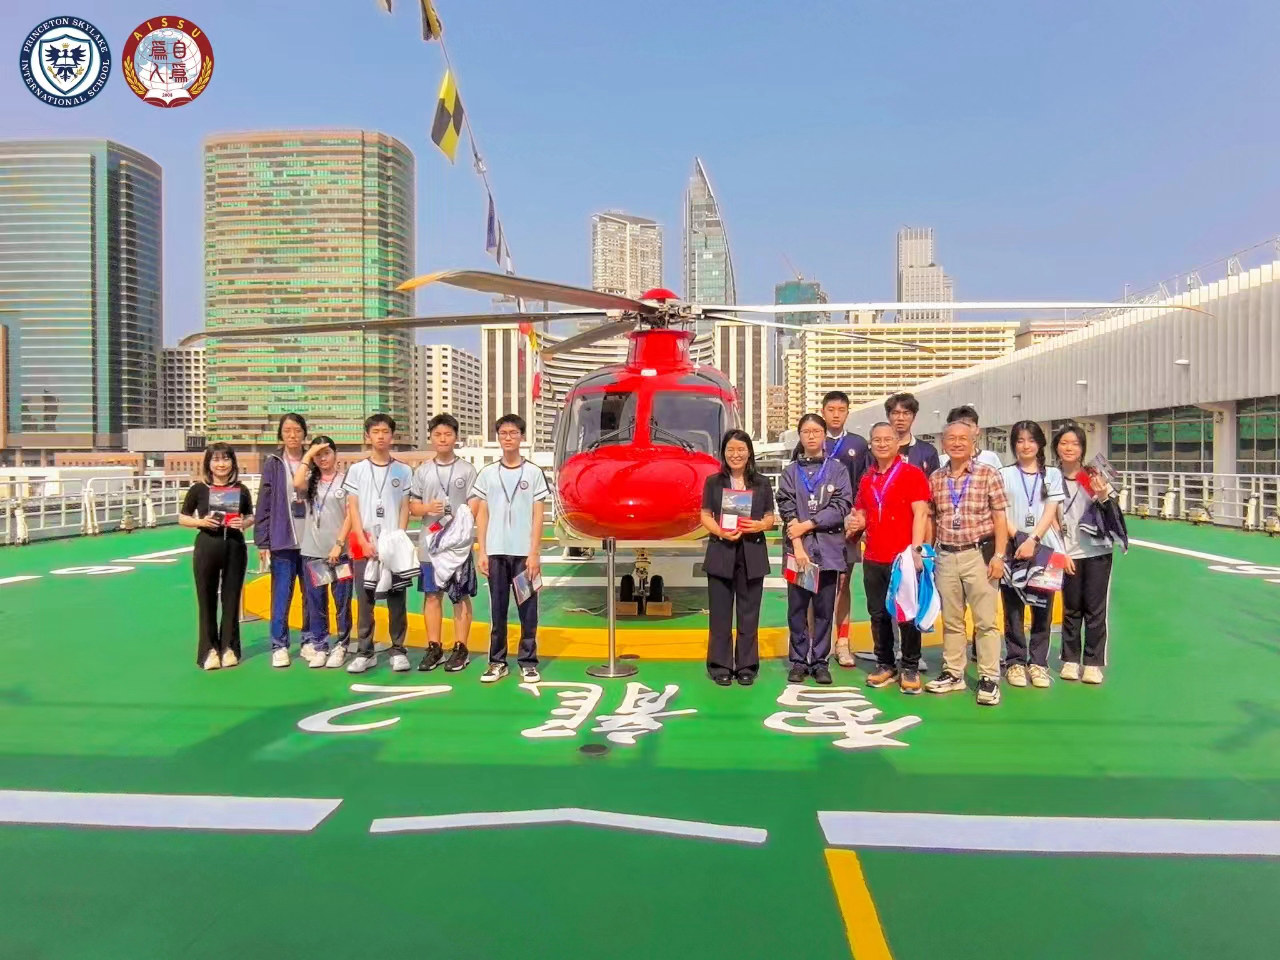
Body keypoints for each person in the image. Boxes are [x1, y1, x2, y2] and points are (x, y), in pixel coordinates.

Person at [925, 420, 1009, 705]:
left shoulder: (988, 474)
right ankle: (953, 672)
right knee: (951, 620)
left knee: (985, 621)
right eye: (951, 438)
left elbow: (1000, 517)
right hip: (946, 555)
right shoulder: (936, 478)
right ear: (943, 443)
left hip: (978, 554)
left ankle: (989, 677)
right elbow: (933, 518)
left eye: (963, 438)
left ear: (974, 441)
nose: (957, 443)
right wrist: (929, 553)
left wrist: (999, 556)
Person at [849, 422, 931, 694]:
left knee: (906, 612)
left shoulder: (912, 474)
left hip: (903, 557)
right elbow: (861, 513)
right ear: (870, 444)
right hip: (874, 555)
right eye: (877, 440)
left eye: (887, 439)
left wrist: (916, 550)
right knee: (878, 613)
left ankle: (910, 665)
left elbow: (921, 513)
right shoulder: (867, 478)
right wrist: (854, 522)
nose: (882, 444)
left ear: (898, 443)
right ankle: (885, 663)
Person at [790, 390, 868, 668]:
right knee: (811, 584)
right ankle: (813, 644)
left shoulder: (858, 444)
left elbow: (864, 485)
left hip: (846, 525)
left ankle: (842, 642)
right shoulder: (807, 442)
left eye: (841, 409)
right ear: (823, 412)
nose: (836, 414)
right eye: (831, 409)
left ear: (848, 412)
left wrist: (858, 520)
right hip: (812, 530)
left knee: (843, 584)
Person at [472, 414, 549, 684]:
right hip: (496, 553)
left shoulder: (534, 473)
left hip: (523, 556)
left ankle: (528, 662)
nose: (508, 437)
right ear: (498, 438)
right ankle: (497, 662)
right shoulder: (488, 474)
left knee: (528, 609)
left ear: (522, 437)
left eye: (513, 433)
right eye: (503, 433)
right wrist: (482, 551)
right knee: (498, 610)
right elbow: (482, 514)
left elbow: (538, 516)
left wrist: (534, 553)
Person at [778, 413, 853, 686]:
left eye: (816, 431)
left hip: (828, 551)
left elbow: (841, 506)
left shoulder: (838, 470)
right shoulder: (790, 472)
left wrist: (808, 524)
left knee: (824, 609)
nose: (811, 436)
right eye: (806, 432)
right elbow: (786, 508)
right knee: (797, 609)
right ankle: (799, 660)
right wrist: (798, 544)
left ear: (824, 435)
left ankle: (820, 661)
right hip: (799, 552)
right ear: (800, 436)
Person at [699, 429, 776, 686]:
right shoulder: (713, 482)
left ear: (749, 452)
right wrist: (720, 531)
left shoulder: (762, 483)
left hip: (752, 552)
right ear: (723, 453)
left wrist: (760, 526)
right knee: (720, 614)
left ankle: (746, 665)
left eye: (741, 449)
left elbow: (769, 516)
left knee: (749, 613)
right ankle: (720, 665)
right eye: (730, 449)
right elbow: (705, 515)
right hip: (721, 550)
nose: (736, 454)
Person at [343, 413, 415, 674]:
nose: (381, 436)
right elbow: (353, 508)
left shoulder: (403, 470)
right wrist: (362, 540)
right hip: (366, 544)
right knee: (365, 600)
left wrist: (399, 538)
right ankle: (365, 651)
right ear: (368, 436)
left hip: (393, 543)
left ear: (392, 436)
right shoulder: (357, 470)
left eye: (385, 431)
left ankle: (398, 649)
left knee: (397, 598)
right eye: (376, 432)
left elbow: (405, 507)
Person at [1053, 422, 1125, 684]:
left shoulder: (1092, 476)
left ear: (1082, 448)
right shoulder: (1051, 478)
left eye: (1075, 443)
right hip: (1067, 552)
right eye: (1064, 443)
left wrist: (1103, 494)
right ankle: (1070, 659)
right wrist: (1060, 552)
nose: (1069, 448)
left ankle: (1093, 663)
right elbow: (1048, 516)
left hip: (1097, 551)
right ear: (1056, 447)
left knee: (1095, 609)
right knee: (1071, 608)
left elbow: (1113, 513)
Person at [409, 413, 478, 673]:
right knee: (431, 595)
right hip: (431, 545)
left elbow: (475, 505)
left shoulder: (467, 470)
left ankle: (461, 648)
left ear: (455, 437)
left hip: (457, 547)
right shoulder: (423, 471)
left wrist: (459, 523)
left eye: (448, 434)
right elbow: (413, 506)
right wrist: (427, 507)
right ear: (431, 438)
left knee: (459, 596)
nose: (443, 439)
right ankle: (434, 647)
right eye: (437, 434)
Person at [998, 421, 1064, 689]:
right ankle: (1015, 661)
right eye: (1020, 440)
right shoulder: (1003, 474)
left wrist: (1033, 539)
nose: (1025, 446)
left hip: (1045, 548)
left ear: (1040, 444)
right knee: (1013, 607)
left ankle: (1038, 663)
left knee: (1043, 608)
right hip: (1013, 547)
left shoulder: (1053, 475)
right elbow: (999, 511)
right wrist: (1018, 537)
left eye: (1031, 440)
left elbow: (1050, 511)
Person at [180, 443, 254, 670]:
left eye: (226, 459)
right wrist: (201, 521)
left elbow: (250, 515)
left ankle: (229, 647)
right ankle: (209, 650)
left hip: (234, 546)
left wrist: (244, 523)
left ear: (233, 462)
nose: (221, 464)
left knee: (231, 598)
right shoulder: (198, 489)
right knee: (206, 598)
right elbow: (183, 517)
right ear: (208, 463)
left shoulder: (241, 489)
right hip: (207, 546)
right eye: (216, 459)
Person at [252, 412, 314, 668]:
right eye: (287, 431)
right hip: (282, 539)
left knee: (312, 594)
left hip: (311, 540)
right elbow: (264, 502)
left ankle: (310, 640)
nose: (292, 435)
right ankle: (279, 645)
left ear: (304, 434)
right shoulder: (274, 463)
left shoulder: (313, 462)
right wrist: (262, 540)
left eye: (297, 430)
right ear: (281, 434)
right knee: (281, 594)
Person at [291, 435, 353, 669]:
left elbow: (350, 515)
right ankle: (320, 645)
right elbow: (296, 483)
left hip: (340, 553)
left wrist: (339, 543)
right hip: (314, 552)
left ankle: (342, 645)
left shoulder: (346, 481)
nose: (323, 458)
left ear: (335, 454)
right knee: (317, 603)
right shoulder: (310, 482)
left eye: (326, 453)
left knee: (342, 602)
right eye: (318, 455)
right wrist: (308, 455)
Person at [884, 392, 940, 476]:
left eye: (906, 413)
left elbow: (934, 480)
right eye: (896, 413)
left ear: (914, 417)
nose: (901, 418)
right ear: (888, 416)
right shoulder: (877, 451)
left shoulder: (928, 451)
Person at [937, 405, 1004, 472]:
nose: (963, 430)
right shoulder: (942, 460)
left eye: (968, 426)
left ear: (977, 429)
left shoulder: (990, 457)